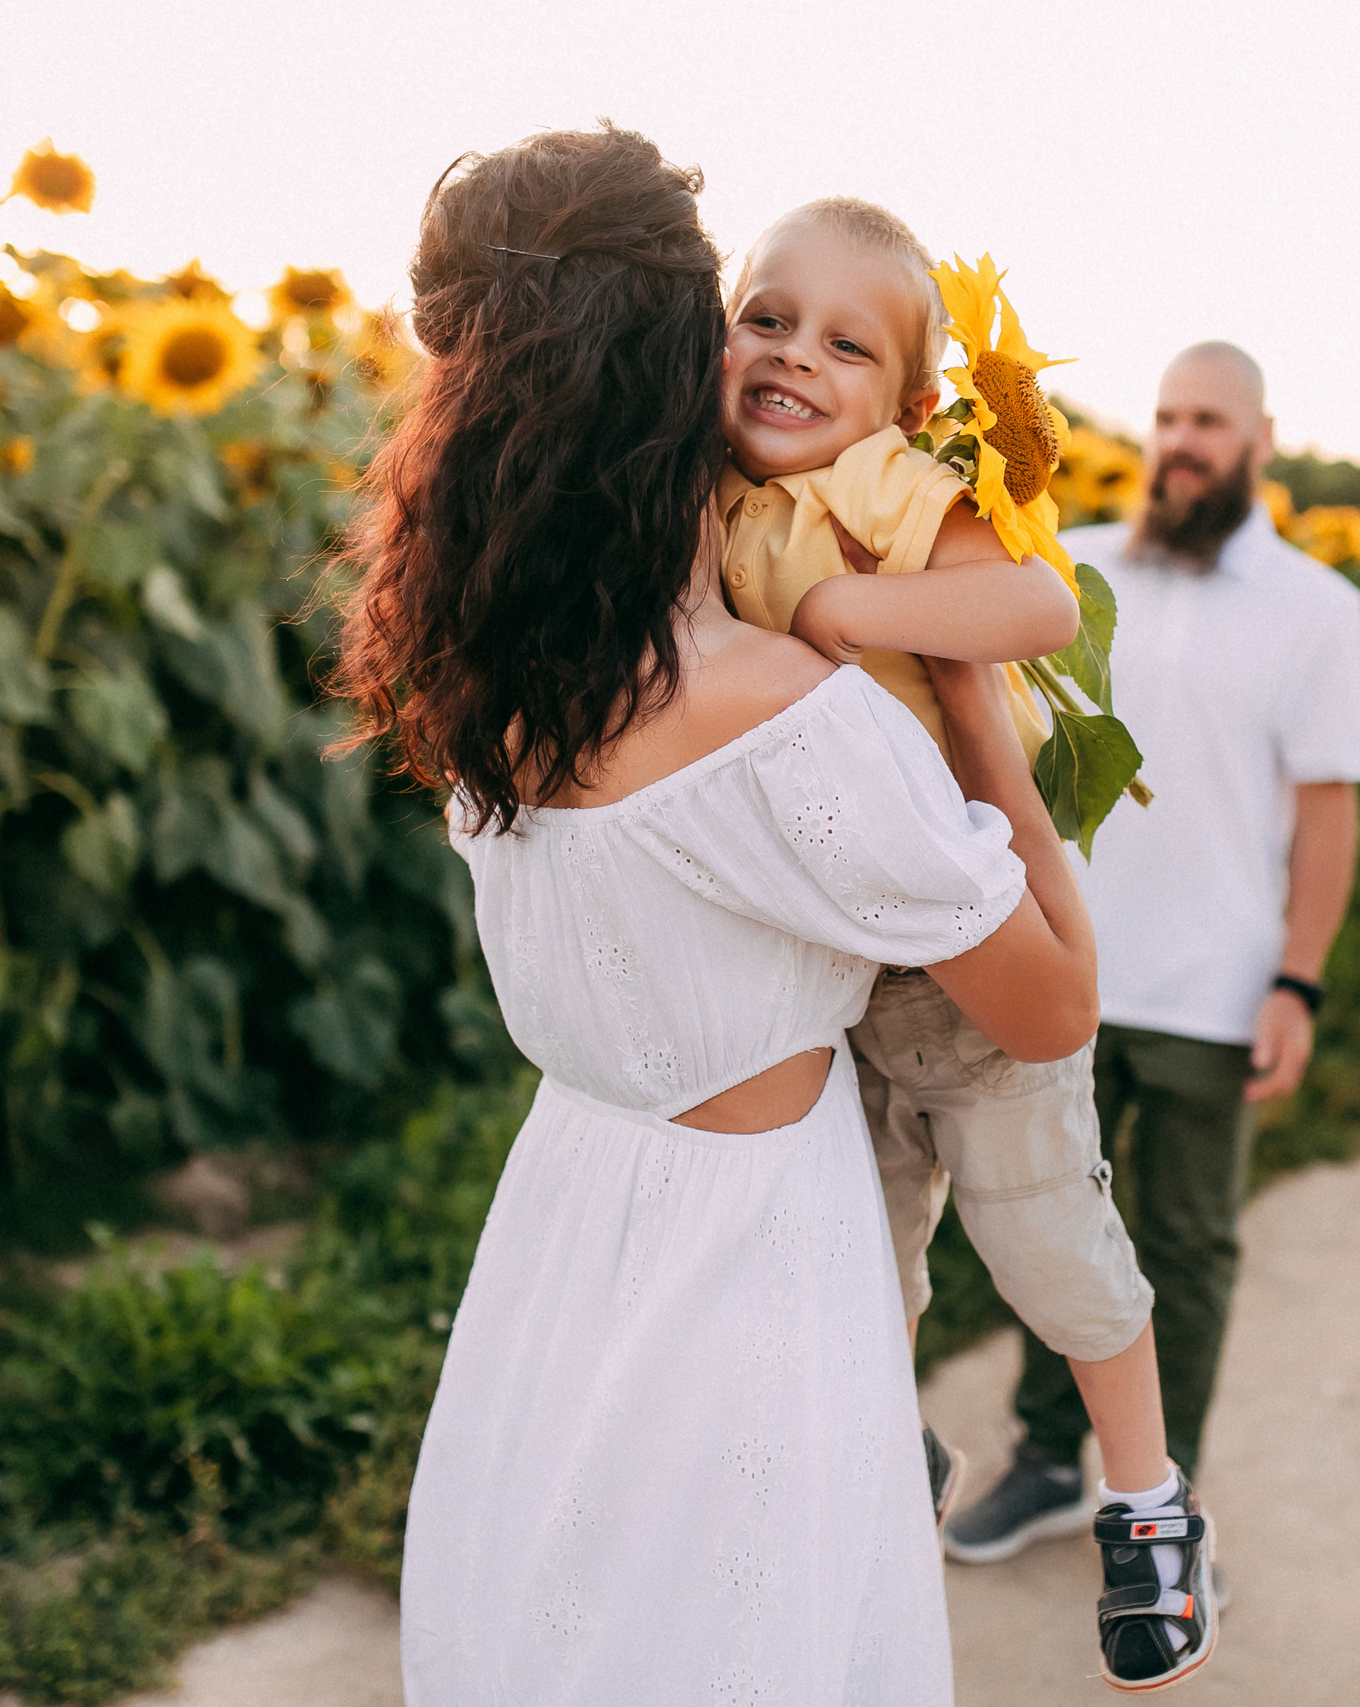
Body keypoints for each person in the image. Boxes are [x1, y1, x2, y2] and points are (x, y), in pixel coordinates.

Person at [335, 126, 1098, 1706]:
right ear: (673, 370)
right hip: (753, 1263)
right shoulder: (780, 715)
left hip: (564, 1222)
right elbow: (1050, 1006)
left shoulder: (486, 661)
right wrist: (969, 698)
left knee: (555, 1620)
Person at [714, 197, 1216, 1690]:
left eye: (843, 342)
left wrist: (848, 602)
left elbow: (1037, 596)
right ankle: (896, 1449)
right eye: (764, 318)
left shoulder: (883, 484)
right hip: (827, 972)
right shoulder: (710, 496)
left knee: (1050, 1238)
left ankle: (1146, 1499)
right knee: (857, 1263)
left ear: (914, 404)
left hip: (966, 958)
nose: (794, 355)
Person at [947, 342, 1360, 1593]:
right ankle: (1039, 1459)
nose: (1180, 440)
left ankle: (1160, 1501)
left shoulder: (1316, 610)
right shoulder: (1059, 565)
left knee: (1182, 1245)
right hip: (1054, 966)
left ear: (1260, 442)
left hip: (1213, 985)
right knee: (1049, 1228)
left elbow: (1328, 810)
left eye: (1209, 421)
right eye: (1168, 417)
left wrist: (1298, 980)